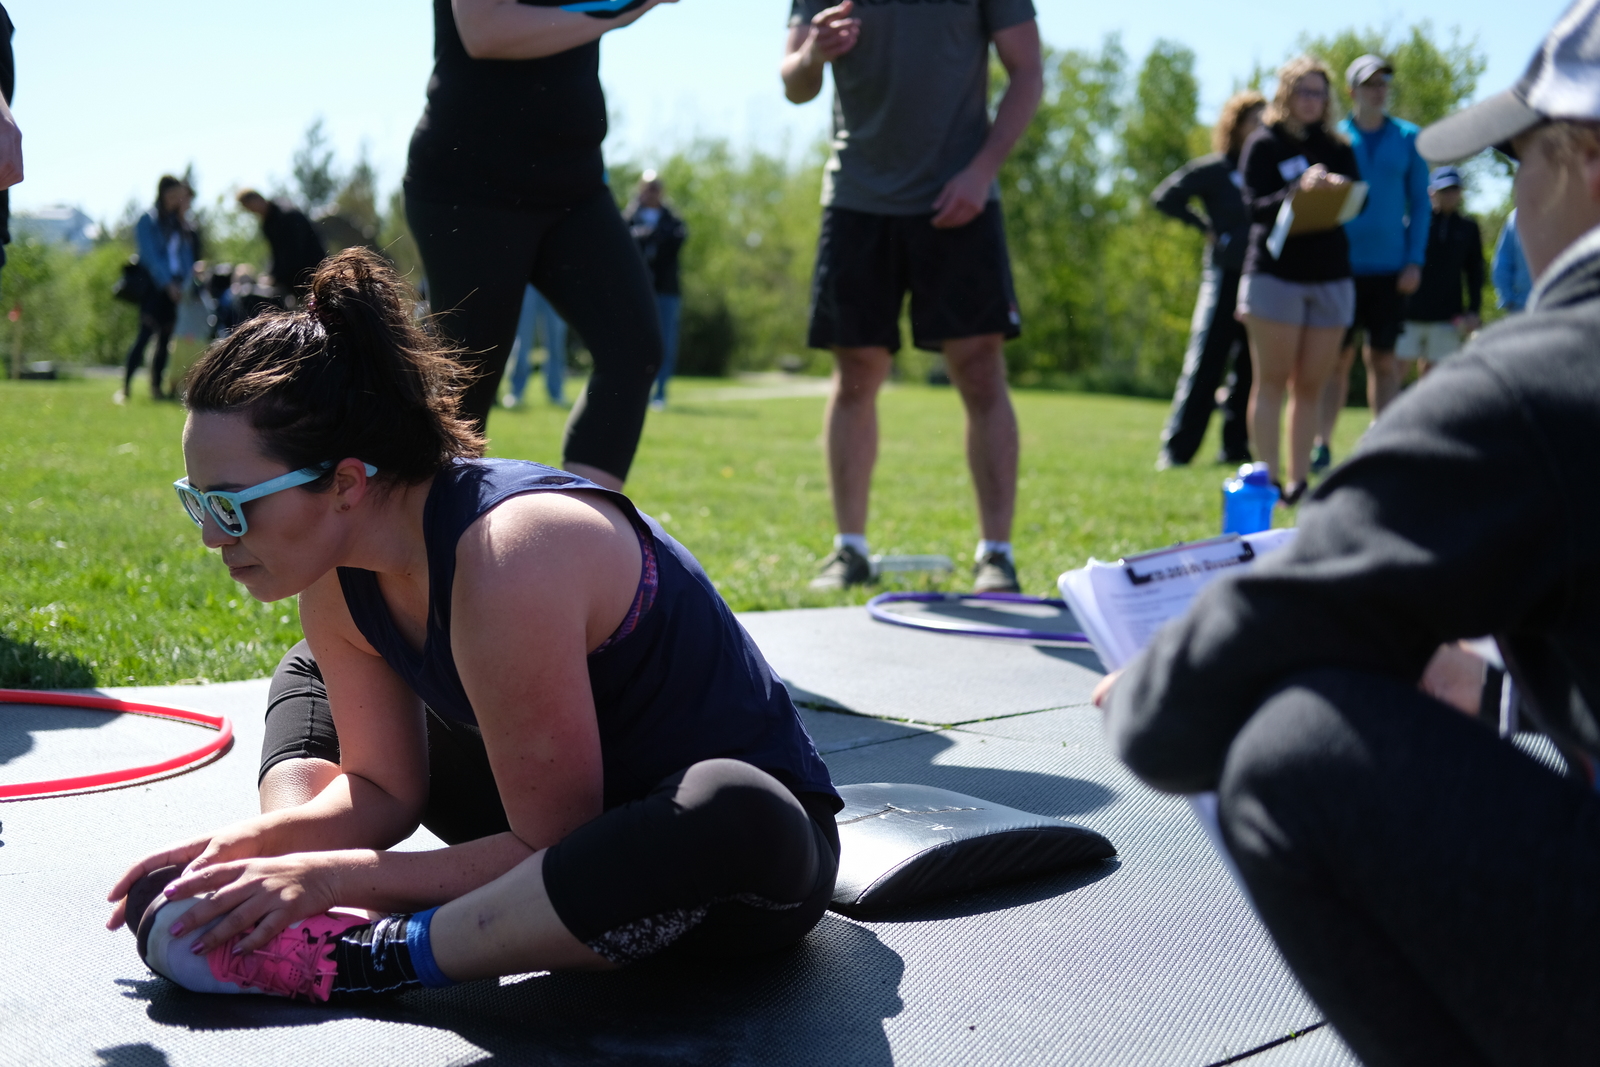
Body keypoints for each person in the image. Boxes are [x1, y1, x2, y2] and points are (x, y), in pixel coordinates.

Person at [104, 248, 841, 1003]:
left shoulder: (510, 554)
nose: (210, 536)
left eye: (230, 506)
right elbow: (384, 788)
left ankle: (371, 954)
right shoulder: (333, 576)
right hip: (545, 826)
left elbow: (556, 846)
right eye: (196, 502)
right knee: (313, 666)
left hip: (713, 870)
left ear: (347, 483)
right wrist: (256, 851)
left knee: (722, 800)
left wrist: (333, 874)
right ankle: (280, 919)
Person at [1097, 1, 1600, 1060]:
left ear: (1586, 160)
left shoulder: (1547, 377)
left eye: (1520, 169)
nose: (1515, 213)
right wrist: (1500, 691)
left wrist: (1142, 678)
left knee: (1297, 747)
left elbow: (1174, 717)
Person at [782, 0, 1044, 594]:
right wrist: (812, 55)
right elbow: (795, 86)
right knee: (855, 373)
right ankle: (849, 549)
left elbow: (1027, 70)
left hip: (960, 198)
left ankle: (996, 555)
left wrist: (982, 171)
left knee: (979, 371)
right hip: (856, 200)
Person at [404, 0, 671, 492]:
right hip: (471, 184)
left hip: (573, 183)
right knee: (465, 388)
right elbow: (485, 31)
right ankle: (426, 553)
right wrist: (626, 11)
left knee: (633, 349)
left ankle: (577, 539)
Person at [1235, 57, 1360, 505]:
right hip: (1276, 277)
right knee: (1271, 381)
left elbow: (1357, 204)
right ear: (1286, 94)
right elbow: (1252, 207)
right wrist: (1297, 191)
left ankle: (1299, 483)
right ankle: (1266, 482)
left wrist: (1336, 189)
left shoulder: (1338, 146)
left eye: (1319, 93)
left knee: (1310, 386)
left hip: (1330, 277)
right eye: (1304, 91)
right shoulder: (1263, 144)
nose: (1313, 100)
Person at [1310, 54, 1432, 474]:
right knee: (1335, 361)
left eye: (1383, 83)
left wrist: (1414, 260)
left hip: (1391, 269)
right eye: (1370, 84)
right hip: (1341, 267)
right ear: (1352, 92)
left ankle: (1384, 444)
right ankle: (1321, 445)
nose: (1378, 91)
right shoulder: (1335, 138)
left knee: (1383, 359)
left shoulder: (1409, 138)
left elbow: (1421, 204)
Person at [1152, 90, 1265, 470]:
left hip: (1259, 278)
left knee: (1250, 367)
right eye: (1254, 121)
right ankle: (1177, 449)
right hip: (1223, 279)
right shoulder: (1215, 170)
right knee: (1205, 365)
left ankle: (1235, 448)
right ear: (1236, 126)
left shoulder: (1264, 172)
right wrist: (1206, 227)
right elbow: (1165, 197)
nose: (1261, 129)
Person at [1395, 166, 1484, 374]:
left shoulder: (1468, 228)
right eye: (1444, 190)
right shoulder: (1413, 223)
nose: (1450, 195)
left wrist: (1474, 310)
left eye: (1454, 190)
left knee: (1436, 374)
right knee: (1395, 369)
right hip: (1409, 312)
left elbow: (1475, 272)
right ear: (1431, 192)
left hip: (1447, 316)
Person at [119, 176, 197, 402]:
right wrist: (167, 284)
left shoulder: (180, 223)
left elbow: (187, 257)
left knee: (165, 337)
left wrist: (183, 285)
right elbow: (151, 256)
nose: (176, 200)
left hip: (176, 284)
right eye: (173, 196)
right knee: (145, 334)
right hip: (153, 285)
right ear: (162, 194)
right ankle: (125, 388)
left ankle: (156, 388)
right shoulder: (148, 219)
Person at [624, 171, 688, 409]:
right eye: (648, 186)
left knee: (665, 343)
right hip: (636, 290)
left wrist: (652, 237)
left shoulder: (673, 219)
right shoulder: (629, 217)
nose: (652, 191)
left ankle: (660, 392)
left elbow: (675, 243)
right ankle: (634, 390)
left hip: (665, 291)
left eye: (656, 187)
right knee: (634, 341)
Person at [236, 190, 326, 302]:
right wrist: (270, 275)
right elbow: (276, 254)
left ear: (257, 199)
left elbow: (294, 252)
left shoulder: (286, 214)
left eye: (250, 207)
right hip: (294, 279)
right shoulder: (267, 224)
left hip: (314, 273)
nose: (252, 211)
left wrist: (275, 277)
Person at [501, 283, 568, 407]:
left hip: (555, 281)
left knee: (556, 343)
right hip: (529, 283)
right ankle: (516, 392)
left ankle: (557, 393)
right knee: (522, 342)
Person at [1493, 208, 1532, 312]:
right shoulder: (1514, 217)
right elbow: (1503, 263)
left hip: (1564, 304)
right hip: (1522, 305)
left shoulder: (1569, 208)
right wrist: (1508, 299)